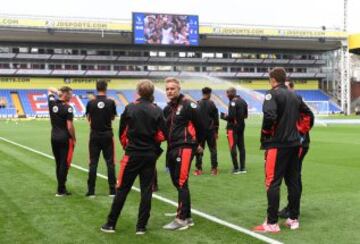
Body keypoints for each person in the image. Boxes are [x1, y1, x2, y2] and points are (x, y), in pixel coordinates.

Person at [101, 80, 167, 235]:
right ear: (152, 93)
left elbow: (122, 132)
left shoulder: (130, 108)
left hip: (132, 155)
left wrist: (127, 146)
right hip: (150, 155)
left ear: (138, 91)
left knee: (122, 189)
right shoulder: (157, 110)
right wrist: (153, 141)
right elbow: (164, 134)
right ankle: (141, 227)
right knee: (146, 191)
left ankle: (110, 224)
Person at [253, 68, 313, 233]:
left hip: (277, 144)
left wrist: (266, 135)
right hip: (295, 144)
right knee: (293, 181)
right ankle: (293, 219)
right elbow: (308, 114)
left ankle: (272, 223)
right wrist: (300, 131)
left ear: (272, 79)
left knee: (272, 182)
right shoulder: (295, 95)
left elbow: (270, 117)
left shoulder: (271, 94)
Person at [162, 77, 204, 230]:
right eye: (167, 89)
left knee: (181, 181)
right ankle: (187, 215)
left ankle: (181, 219)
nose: (169, 91)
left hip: (185, 147)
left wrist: (198, 143)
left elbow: (202, 124)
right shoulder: (169, 108)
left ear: (179, 88)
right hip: (173, 147)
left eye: (172, 88)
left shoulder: (188, 104)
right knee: (177, 181)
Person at [278, 80, 314, 219]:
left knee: (293, 177)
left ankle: (293, 211)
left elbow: (310, 117)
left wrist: (299, 133)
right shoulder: (289, 100)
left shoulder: (296, 99)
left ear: (292, 88)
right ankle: (291, 207)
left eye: (286, 87)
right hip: (293, 143)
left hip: (299, 144)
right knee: (292, 177)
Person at [85, 80, 117, 197]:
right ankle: (112, 191)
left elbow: (88, 118)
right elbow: (113, 118)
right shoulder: (111, 102)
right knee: (110, 163)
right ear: (106, 88)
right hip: (107, 135)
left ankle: (91, 191)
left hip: (94, 135)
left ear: (96, 88)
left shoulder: (91, 102)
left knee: (93, 163)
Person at [47, 86, 76, 197]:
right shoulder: (68, 108)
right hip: (64, 138)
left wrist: (57, 92)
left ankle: (61, 188)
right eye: (70, 94)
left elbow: (49, 89)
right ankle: (61, 190)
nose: (71, 96)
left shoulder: (52, 103)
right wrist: (73, 137)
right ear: (65, 94)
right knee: (64, 163)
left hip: (54, 137)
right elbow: (69, 126)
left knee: (58, 163)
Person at [220, 87, 248, 174]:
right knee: (241, 147)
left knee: (233, 147)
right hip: (241, 126)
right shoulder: (243, 101)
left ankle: (236, 168)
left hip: (232, 128)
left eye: (227, 93)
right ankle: (243, 168)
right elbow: (246, 116)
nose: (226, 95)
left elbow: (231, 117)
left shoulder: (232, 102)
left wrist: (223, 116)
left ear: (230, 94)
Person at [194, 87, 219, 176]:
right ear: (209, 94)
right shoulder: (212, 104)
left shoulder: (197, 104)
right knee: (213, 149)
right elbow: (216, 119)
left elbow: (194, 119)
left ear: (202, 93)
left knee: (199, 149)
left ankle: (199, 169)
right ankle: (214, 169)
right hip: (210, 130)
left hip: (200, 131)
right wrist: (216, 131)